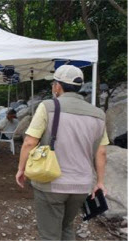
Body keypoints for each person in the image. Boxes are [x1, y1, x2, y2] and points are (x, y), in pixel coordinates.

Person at [15, 65, 109, 240]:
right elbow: (101, 152)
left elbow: (29, 142)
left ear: (57, 86)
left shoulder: (49, 106)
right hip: (81, 185)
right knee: (66, 227)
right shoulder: (98, 114)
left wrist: (21, 169)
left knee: (49, 234)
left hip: (51, 183)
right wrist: (100, 182)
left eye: (53, 84)